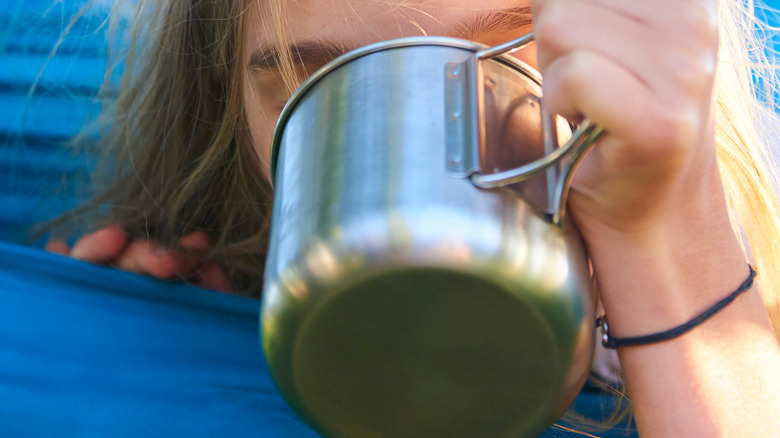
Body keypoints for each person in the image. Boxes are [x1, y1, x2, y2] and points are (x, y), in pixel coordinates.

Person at [43, 0, 780, 435]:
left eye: (499, 58)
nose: (415, 146)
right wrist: (123, 359)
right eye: (317, 79)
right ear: (223, 101)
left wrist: (674, 242)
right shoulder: (210, 287)